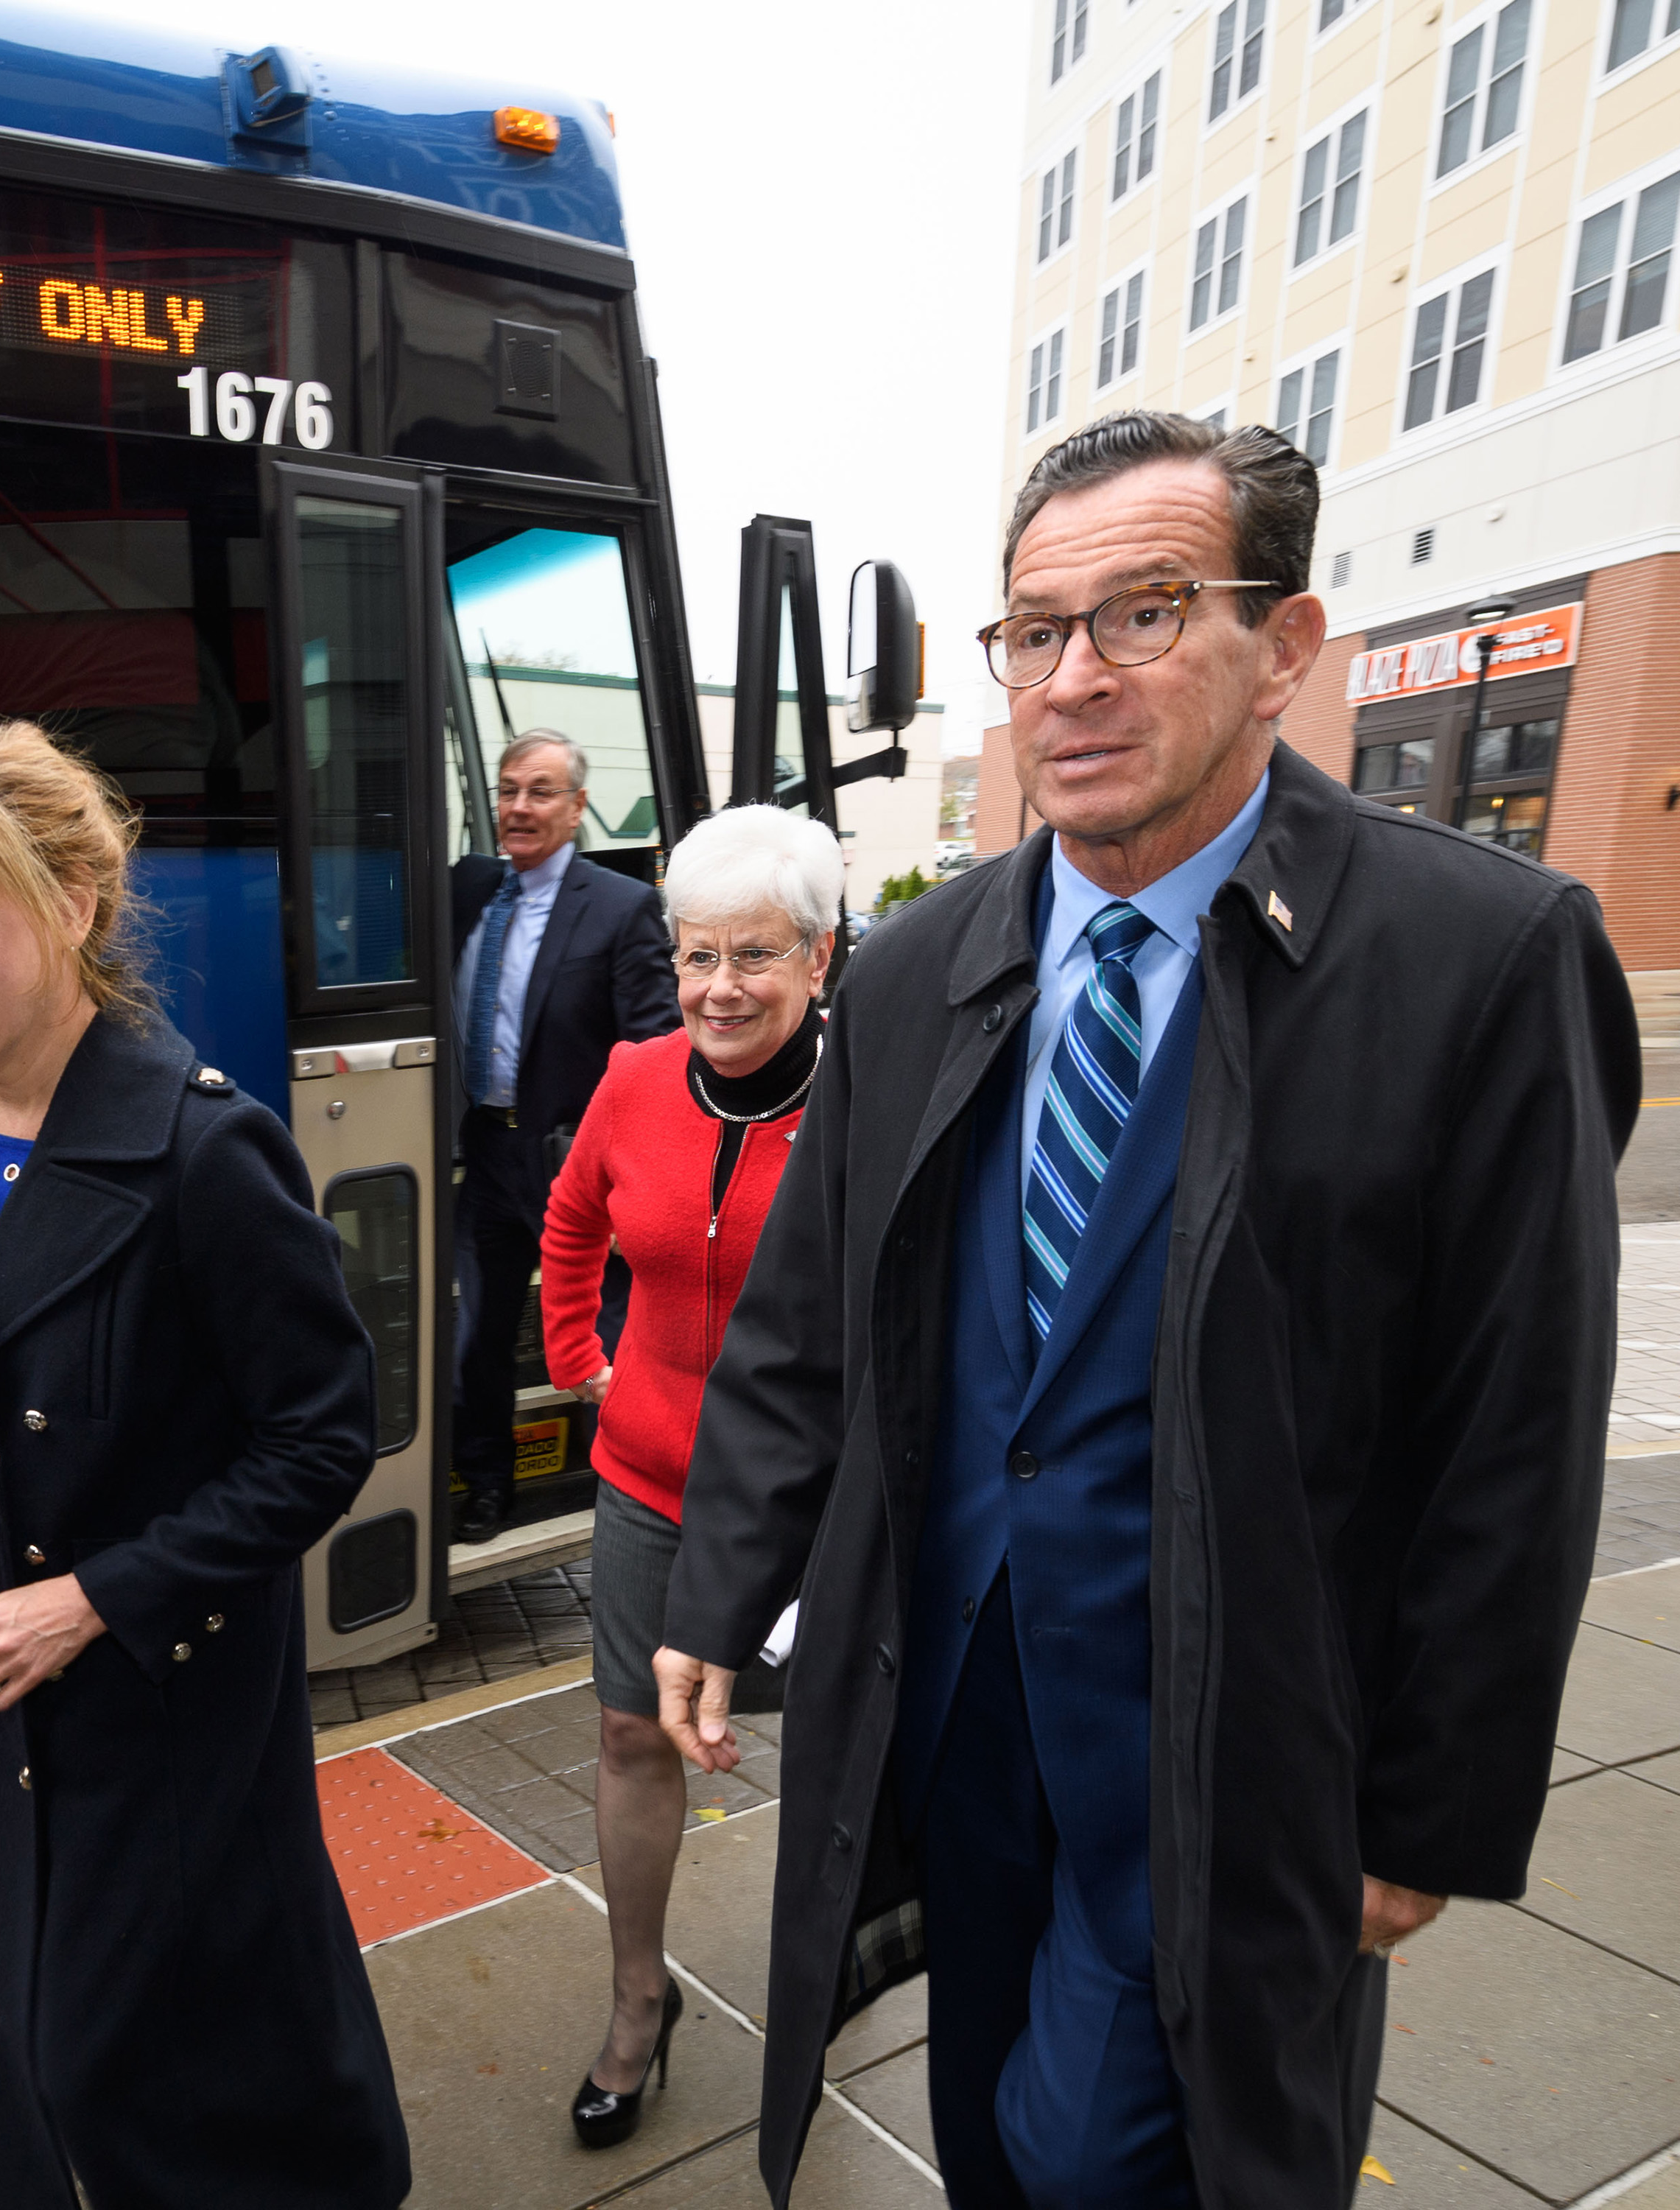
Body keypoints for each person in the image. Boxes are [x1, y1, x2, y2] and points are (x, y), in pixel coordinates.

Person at [653, 413, 1641, 2210]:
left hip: (1231, 1739)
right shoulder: (921, 969)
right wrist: (721, 1583)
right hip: (950, 1703)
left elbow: (1514, 1430)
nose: (1069, 680)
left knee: (1106, 2149)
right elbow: (803, 1325)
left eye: (1142, 612)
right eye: (1031, 631)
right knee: (987, 2129)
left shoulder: (1478, 959)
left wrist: (1427, 1807)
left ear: (1280, 647)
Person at [0, 720, 410, 2210]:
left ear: (74, 901)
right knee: (26, 2068)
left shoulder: (205, 1151)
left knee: (161, 2088)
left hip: (160, 1722)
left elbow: (324, 1434)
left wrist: (95, 1598)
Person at [537, 801, 842, 2150]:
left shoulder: (872, 1092)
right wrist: (577, 1353)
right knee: (629, 1735)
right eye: (696, 955)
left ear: (821, 959)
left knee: (838, 1755)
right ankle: (636, 2000)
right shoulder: (633, 1074)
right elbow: (573, 1212)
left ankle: (832, 1990)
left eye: (757, 956)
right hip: (652, 1475)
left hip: (821, 1502)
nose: (720, 987)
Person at [449, 731, 679, 1544]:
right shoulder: (468, 889)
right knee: (477, 1335)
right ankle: (484, 1484)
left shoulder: (619, 908)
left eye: (541, 792)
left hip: (578, 1166)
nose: (520, 807)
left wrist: (616, 1157)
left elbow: (652, 1046)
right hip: (485, 1153)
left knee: (607, 1334)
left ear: (578, 807)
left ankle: (621, 1494)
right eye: (509, 790)